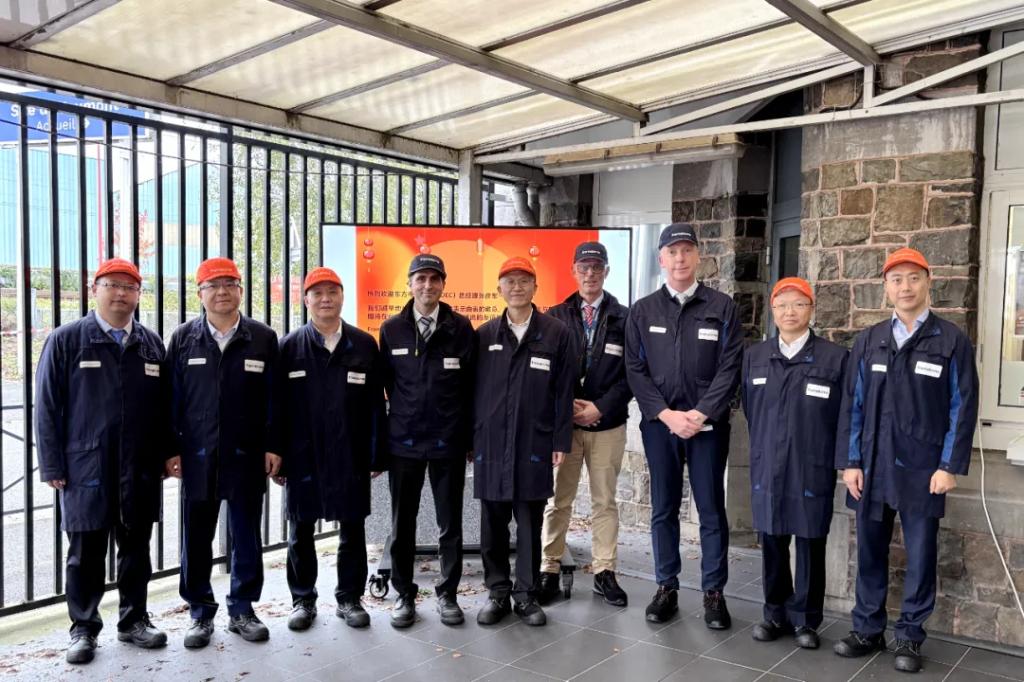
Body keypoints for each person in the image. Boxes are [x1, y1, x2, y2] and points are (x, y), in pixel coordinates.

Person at [833, 248, 978, 674]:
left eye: (914, 278)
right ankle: (867, 629)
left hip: (924, 469)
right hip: (872, 466)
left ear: (928, 281)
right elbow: (853, 405)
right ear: (886, 287)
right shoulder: (870, 340)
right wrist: (851, 461)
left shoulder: (950, 340)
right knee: (870, 552)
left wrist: (948, 466)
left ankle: (910, 636)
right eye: (896, 279)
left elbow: (962, 407)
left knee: (921, 555)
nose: (906, 287)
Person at [36, 258, 169, 664]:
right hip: (85, 467)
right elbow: (47, 406)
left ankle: (134, 621)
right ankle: (83, 628)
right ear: (95, 290)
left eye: (129, 287)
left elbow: (165, 408)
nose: (121, 294)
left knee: (136, 550)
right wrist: (52, 464)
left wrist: (167, 455)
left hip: (140, 466)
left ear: (138, 295)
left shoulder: (150, 343)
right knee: (85, 553)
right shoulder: (67, 340)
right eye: (112, 285)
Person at [625, 223, 743, 627]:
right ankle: (666, 587)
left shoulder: (722, 307)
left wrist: (702, 412)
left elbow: (731, 366)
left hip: (707, 427)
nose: (680, 258)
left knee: (710, 509)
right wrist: (666, 414)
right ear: (661, 259)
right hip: (661, 426)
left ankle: (714, 592)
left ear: (698, 256)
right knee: (664, 508)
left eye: (687, 251)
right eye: (672, 252)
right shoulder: (643, 310)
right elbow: (635, 369)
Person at [165, 257, 280, 648]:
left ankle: (242, 609)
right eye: (212, 285)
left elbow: (275, 399)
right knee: (196, 536)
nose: (222, 292)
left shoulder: (262, 338)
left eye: (229, 284)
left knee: (246, 535)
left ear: (241, 291)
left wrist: (273, 445)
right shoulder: (183, 338)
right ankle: (200, 613)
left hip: (247, 454)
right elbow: (171, 400)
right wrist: (171, 449)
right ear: (199, 294)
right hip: (197, 455)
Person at [275, 267, 388, 630]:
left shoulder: (364, 345)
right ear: (306, 300)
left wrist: (376, 453)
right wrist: (277, 455)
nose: (325, 299)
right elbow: (275, 408)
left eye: (332, 292)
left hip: (350, 452)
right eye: (317, 293)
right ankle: (302, 600)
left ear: (342, 297)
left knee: (352, 529)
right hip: (302, 455)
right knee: (300, 530)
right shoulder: (289, 347)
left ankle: (350, 598)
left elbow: (376, 404)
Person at [740, 277, 847, 650]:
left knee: (810, 540)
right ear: (773, 310)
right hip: (768, 461)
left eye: (799, 304)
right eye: (782, 304)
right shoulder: (755, 357)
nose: (790, 312)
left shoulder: (835, 358)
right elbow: (751, 409)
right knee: (771, 538)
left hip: (811, 462)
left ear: (811, 310)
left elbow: (843, 416)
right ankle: (774, 614)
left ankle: (806, 620)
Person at [473, 256, 575, 627]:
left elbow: (565, 391)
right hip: (491, 443)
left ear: (535, 287)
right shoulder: (484, 335)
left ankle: (526, 595)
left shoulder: (556, 333)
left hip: (534, 441)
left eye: (524, 281)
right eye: (509, 281)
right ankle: (498, 592)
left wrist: (560, 439)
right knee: (493, 524)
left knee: (530, 522)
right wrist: (472, 439)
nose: (516, 287)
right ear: (499, 289)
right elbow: (470, 391)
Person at [379, 255, 476, 628]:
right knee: (402, 523)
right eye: (420, 279)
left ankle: (448, 593)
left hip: (447, 442)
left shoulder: (461, 328)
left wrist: (467, 438)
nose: (427, 286)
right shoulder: (392, 330)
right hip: (404, 443)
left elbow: (470, 388)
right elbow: (388, 385)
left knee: (449, 523)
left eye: (435, 279)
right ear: (409, 284)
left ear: (443, 285)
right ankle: (404, 594)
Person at [539, 241, 632, 607]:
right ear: (573, 271)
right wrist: (565, 407)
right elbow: (546, 372)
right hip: (564, 428)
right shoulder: (555, 316)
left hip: (607, 425)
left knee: (604, 501)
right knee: (557, 499)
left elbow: (633, 374)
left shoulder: (625, 318)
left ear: (606, 272)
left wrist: (600, 408)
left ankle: (604, 571)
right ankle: (549, 567)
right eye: (584, 267)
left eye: (596, 267)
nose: (590, 274)